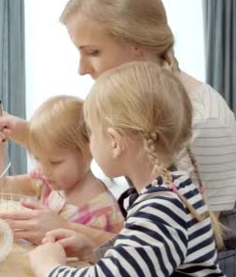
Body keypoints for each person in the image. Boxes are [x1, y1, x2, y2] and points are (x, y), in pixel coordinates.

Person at [0, 0, 236, 276]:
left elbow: (169, 247)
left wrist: (56, 254)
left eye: (93, 52)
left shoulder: (206, 125)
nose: (80, 69)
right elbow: (147, 248)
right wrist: (18, 131)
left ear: (136, 44)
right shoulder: (145, 110)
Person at [28, 62, 225, 277]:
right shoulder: (175, 188)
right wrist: (95, 251)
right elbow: (145, 262)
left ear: (114, 142)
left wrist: (48, 267)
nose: (89, 142)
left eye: (91, 132)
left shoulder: (160, 207)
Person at [0, 95, 123, 244]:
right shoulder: (47, 182)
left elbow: (119, 258)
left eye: (55, 162)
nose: (44, 170)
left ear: (88, 152)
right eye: (38, 159)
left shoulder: (105, 213)